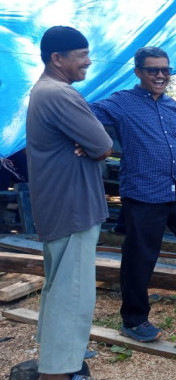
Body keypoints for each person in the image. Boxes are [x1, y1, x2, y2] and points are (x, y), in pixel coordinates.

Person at [90, 46, 176, 343]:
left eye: (166, 70)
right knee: (140, 258)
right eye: (153, 70)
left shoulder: (172, 106)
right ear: (138, 72)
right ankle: (134, 320)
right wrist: (89, 142)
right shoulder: (122, 102)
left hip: (175, 187)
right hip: (143, 192)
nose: (161, 75)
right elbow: (85, 113)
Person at [26, 26, 113, 380]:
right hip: (73, 210)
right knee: (71, 297)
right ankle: (57, 373)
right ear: (56, 59)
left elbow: (93, 144)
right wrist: (92, 147)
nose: (88, 62)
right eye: (80, 56)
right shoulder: (60, 94)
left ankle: (54, 365)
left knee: (59, 288)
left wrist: (89, 145)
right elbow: (103, 144)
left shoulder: (43, 92)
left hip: (60, 207)